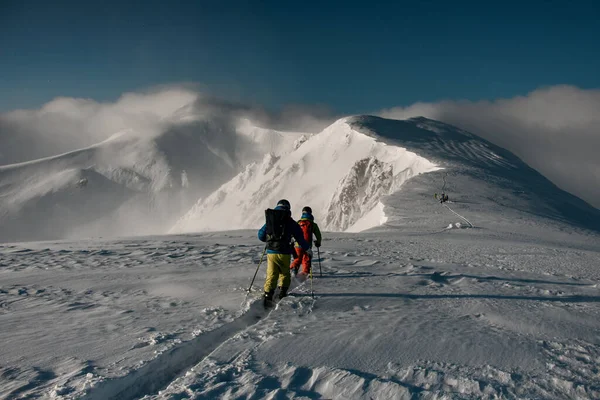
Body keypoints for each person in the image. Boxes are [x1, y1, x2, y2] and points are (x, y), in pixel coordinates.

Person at [258, 199, 310, 307]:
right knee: (284, 273)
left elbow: (260, 235)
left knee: (271, 273)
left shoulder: (271, 219)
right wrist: (307, 249)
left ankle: (268, 294)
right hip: (284, 252)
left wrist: (269, 239)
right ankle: (282, 292)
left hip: (271, 252)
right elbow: (300, 238)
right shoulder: (290, 221)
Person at [290, 206, 322, 277]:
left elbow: (292, 232)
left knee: (297, 259)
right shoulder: (313, 224)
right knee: (306, 260)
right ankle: (305, 272)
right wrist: (318, 242)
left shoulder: (298, 223)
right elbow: (318, 235)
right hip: (308, 245)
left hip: (298, 245)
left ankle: (293, 269)